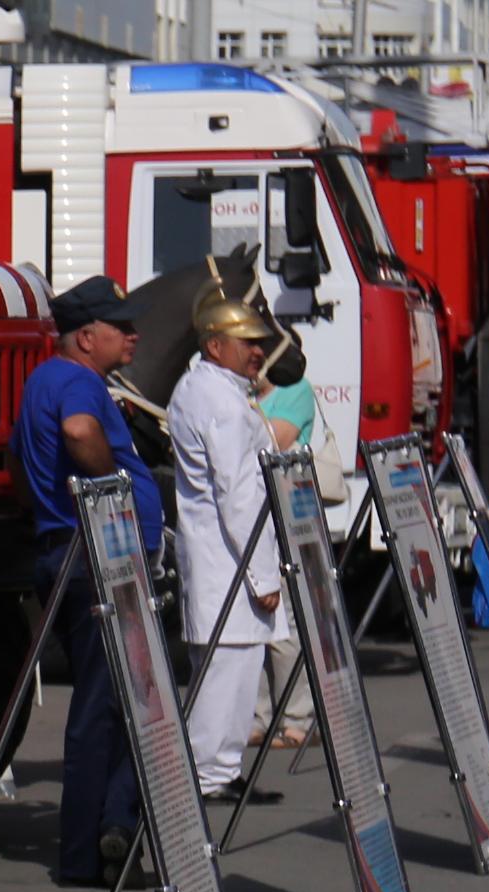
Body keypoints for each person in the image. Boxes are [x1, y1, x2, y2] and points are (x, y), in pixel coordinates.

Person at [14, 276, 161, 887]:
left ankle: (113, 827)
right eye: (118, 325)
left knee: (118, 698)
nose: (132, 334)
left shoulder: (49, 379)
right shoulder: (76, 382)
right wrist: (115, 495)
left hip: (72, 553)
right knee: (113, 704)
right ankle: (90, 849)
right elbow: (78, 432)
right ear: (84, 336)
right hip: (95, 552)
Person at [168, 292, 289, 805]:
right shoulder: (218, 399)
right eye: (247, 343)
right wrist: (263, 577)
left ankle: (221, 769)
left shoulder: (207, 388)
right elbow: (238, 495)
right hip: (229, 560)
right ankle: (206, 773)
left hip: (222, 557)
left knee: (234, 671)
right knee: (225, 671)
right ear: (216, 346)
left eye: (259, 343)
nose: (257, 351)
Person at [255, 358, 320, 751]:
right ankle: (256, 716)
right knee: (249, 621)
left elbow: (273, 440)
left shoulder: (295, 389)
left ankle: (298, 716)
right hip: (249, 515)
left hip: (288, 514)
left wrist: (243, 411)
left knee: (286, 620)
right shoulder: (239, 394)